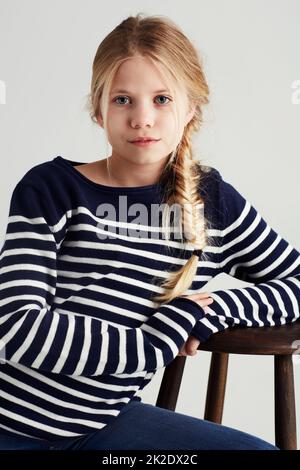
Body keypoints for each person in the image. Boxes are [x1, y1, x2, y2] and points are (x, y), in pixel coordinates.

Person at [0, 13, 298, 451]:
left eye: (161, 99)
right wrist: (152, 342)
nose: (142, 118)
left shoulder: (212, 203)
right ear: (98, 110)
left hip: (103, 430)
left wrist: (208, 310)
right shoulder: (52, 188)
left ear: (191, 108)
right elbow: (16, 327)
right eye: (123, 100)